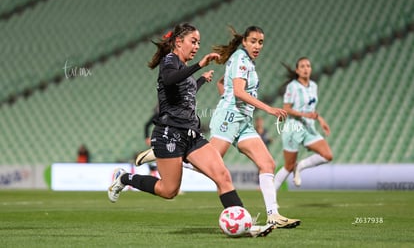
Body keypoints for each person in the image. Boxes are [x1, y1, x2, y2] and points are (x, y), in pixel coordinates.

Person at [108, 23, 273, 237]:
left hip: (191, 134)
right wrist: (199, 66)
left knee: (222, 176)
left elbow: (186, 91)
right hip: (169, 133)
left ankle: (244, 226)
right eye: (193, 41)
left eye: (199, 43)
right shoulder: (170, 61)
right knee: (169, 191)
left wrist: (201, 80)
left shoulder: (184, 69)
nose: (196, 46)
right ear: (179, 42)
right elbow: (169, 80)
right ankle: (124, 179)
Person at [208, 26, 300, 229]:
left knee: (267, 163)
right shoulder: (241, 58)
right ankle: (167, 154)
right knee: (207, 162)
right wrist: (269, 109)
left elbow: (222, 83)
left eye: (260, 42)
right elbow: (239, 92)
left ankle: (273, 215)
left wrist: (227, 96)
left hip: (243, 121)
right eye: (253, 41)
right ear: (244, 42)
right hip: (230, 117)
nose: (257, 46)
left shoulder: (245, 60)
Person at [274, 57, 333, 192]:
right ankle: (271, 200)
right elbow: (286, 108)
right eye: (302, 66)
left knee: (327, 155)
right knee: (288, 166)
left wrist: (320, 119)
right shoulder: (292, 86)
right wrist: (304, 115)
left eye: (308, 66)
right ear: (297, 70)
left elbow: (310, 108)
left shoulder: (313, 86)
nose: (306, 69)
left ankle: (300, 166)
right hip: (293, 128)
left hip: (308, 127)